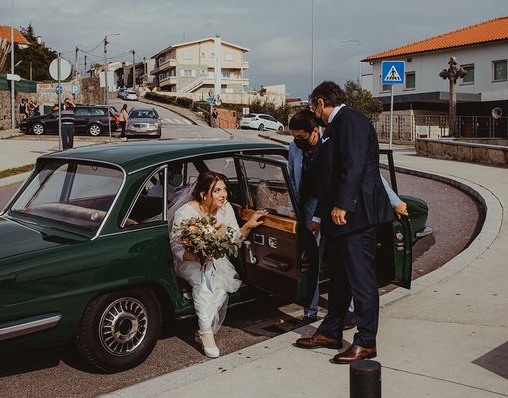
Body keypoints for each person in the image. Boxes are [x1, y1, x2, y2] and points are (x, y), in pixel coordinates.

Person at [295, 81, 395, 364]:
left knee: (361, 279)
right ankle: (330, 331)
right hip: (337, 220)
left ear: (321, 102)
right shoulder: (332, 128)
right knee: (339, 279)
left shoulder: (350, 119)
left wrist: (343, 204)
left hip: (355, 215)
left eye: (313, 103)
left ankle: (366, 341)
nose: (312, 109)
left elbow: (354, 164)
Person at [288, 110, 408, 326]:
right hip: (309, 208)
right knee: (312, 260)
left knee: (344, 261)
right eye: (294, 137)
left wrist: (394, 200)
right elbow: (293, 180)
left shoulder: (330, 144)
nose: (297, 142)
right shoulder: (294, 149)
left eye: (301, 137)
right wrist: (294, 209)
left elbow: (366, 173)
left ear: (314, 131)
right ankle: (311, 309)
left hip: (333, 207)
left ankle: (350, 311)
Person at [169, 171, 267, 358]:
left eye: (224, 189)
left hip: (216, 259)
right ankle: (206, 335)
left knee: (222, 287)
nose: (224, 195)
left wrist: (248, 226)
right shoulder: (185, 213)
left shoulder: (225, 208)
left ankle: (203, 328)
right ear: (204, 194)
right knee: (202, 283)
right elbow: (177, 249)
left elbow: (232, 240)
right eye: (217, 191)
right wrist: (198, 257)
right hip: (188, 259)